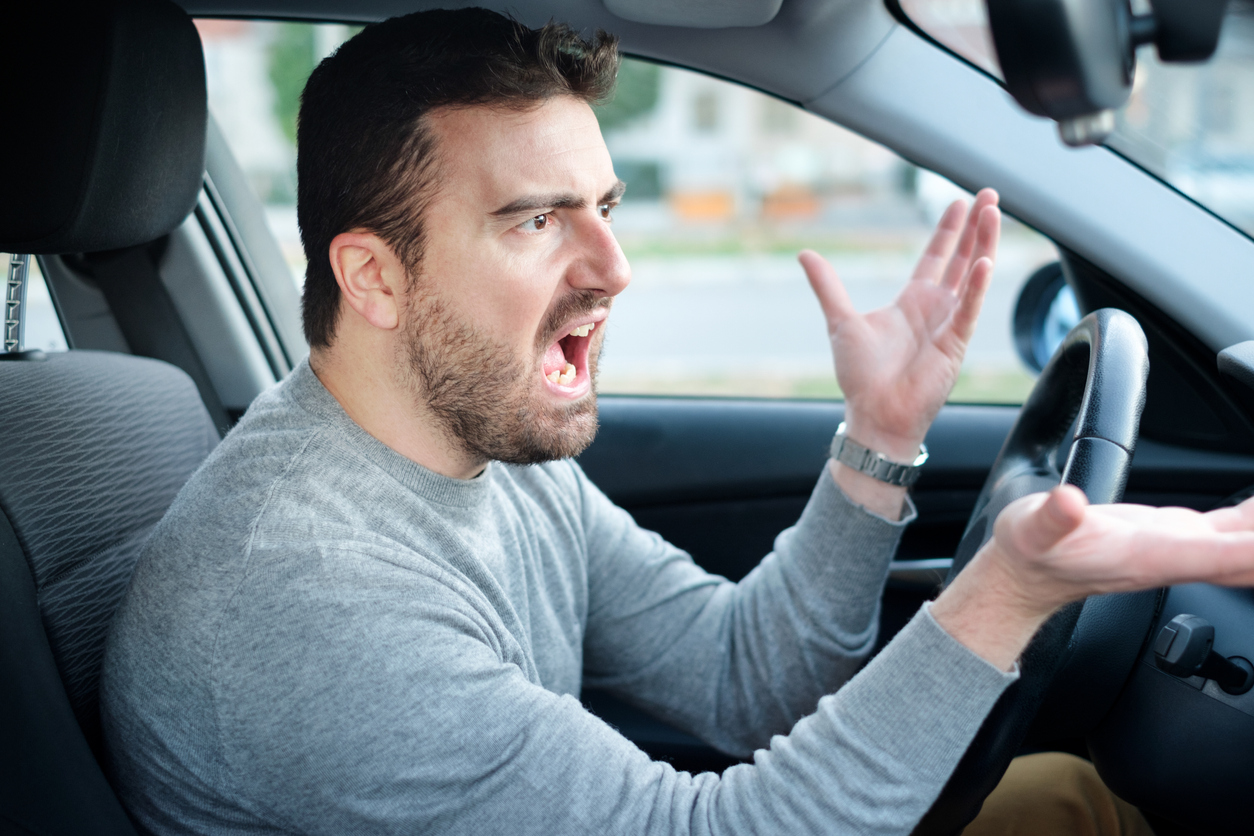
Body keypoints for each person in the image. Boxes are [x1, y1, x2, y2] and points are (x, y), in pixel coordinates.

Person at [101, 8, 1254, 835]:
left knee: (1073, 796)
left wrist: (877, 438)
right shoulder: (307, 602)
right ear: (375, 277)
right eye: (535, 221)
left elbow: (742, 677)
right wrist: (1008, 593)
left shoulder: (486, 436)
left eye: (603, 205)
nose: (616, 266)